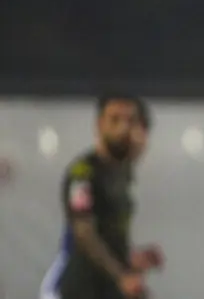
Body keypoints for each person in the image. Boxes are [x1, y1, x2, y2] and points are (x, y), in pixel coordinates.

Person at [42, 101, 161, 299]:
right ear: (100, 125)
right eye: (115, 120)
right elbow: (85, 233)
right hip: (84, 287)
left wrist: (132, 259)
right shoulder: (83, 173)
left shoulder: (121, 175)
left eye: (130, 123)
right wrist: (122, 276)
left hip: (107, 285)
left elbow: (111, 235)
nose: (124, 130)